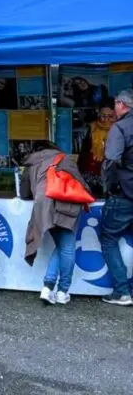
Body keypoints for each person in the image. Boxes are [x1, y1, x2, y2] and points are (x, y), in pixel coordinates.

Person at [20, 141, 88, 306]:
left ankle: (47, 286)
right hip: (66, 205)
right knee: (67, 248)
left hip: (44, 207)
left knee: (62, 246)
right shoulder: (65, 159)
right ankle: (62, 291)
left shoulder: (31, 164)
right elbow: (82, 184)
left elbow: (24, 193)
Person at [100, 89, 133, 306]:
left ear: (121, 104)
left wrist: (106, 187)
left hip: (125, 194)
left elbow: (111, 161)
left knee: (108, 236)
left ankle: (122, 291)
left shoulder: (120, 128)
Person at [78, 101, 116, 198]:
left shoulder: (119, 128)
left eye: (110, 116)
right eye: (103, 115)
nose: (106, 119)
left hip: (112, 166)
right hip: (92, 166)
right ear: (98, 113)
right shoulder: (90, 127)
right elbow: (83, 149)